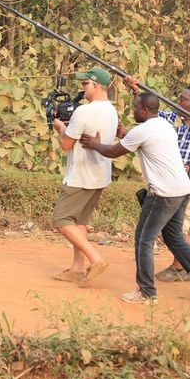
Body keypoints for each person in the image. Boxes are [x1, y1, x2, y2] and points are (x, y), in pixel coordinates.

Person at [81, 92, 190, 305]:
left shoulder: (143, 130)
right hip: (182, 189)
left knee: (144, 239)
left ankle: (146, 292)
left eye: (135, 107)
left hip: (163, 193)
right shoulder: (164, 125)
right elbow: (143, 143)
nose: (133, 110)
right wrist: (125, 134)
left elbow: (112, 151)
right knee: (175, 239)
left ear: (144, 110)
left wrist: (94, 144)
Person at [124, 78, 190, 282]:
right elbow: (148, 114)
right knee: (174, 230)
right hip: (169, 183)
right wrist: (136, 92)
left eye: (183, 99)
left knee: (178, 231)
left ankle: (187, 271)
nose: (178, 101)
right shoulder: (171, 118)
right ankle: (186, 270)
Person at [50, 67, 118, 286]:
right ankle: (77, 268)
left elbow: (65, 145)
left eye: (85, 83)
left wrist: (60, 127)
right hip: (100, 174)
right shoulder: (111, 110)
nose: (82, 87)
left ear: (96, 85)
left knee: (61, 219)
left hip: (80, 175)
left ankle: (95, 259)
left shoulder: (84, 112)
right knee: (79, 221)